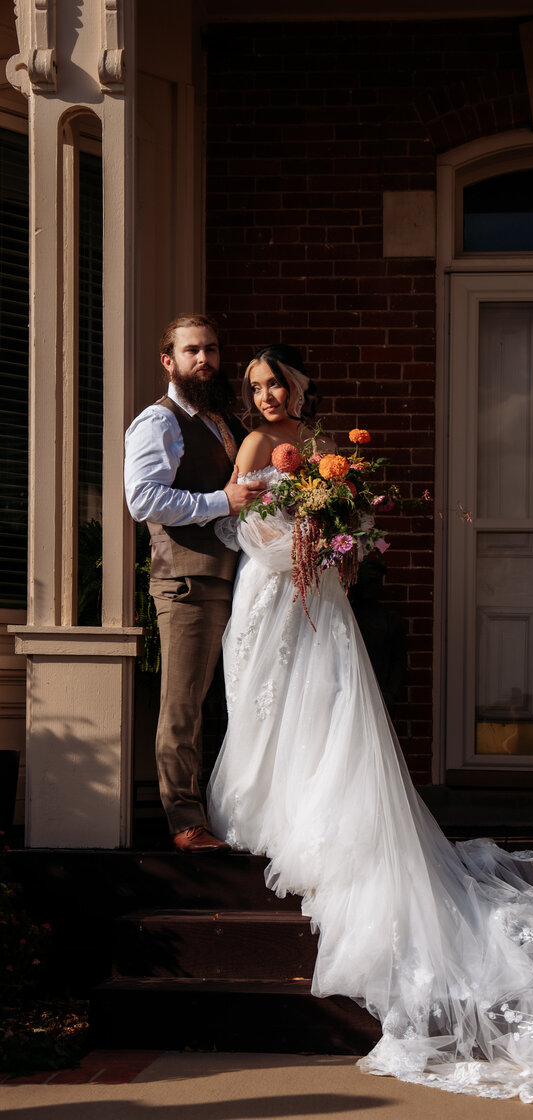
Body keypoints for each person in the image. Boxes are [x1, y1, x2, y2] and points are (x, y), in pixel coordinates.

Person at [207, 346, 533, 1113]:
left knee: (320, 702)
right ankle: (270, 804)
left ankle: (311, 814)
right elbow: (239, 520)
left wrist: (334, 541)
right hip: (270, 589)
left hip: (317, 592)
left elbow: (349, 518)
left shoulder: (322, 445)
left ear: (299, 383)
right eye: (255, 387)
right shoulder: (259, 446)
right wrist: (292, 538)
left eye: (275, 384)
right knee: (269, 696)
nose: (264, 396)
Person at [124, 314, 264, 853]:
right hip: (188, 581)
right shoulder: (158, 423)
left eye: (211, 349)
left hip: (235, 579)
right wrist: (219, 503)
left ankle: (223, 813)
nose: (203, 360)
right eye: (191, 351)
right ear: (169, 361)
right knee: (182, 706)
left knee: (223, 704)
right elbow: (144, 500)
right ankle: (185, 823)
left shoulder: (219, 421)